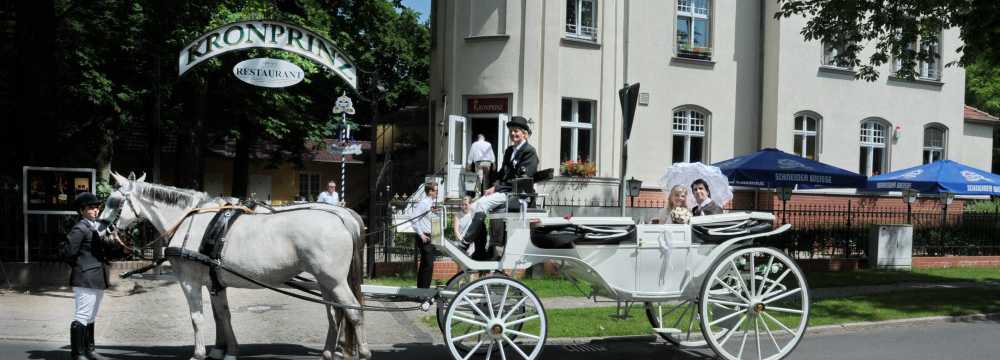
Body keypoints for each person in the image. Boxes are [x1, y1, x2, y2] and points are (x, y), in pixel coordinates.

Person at [62, 192, 112, 360]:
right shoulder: (80, 228)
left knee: (91, 316)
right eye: (91, 208)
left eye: (97, 207)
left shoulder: (95, 227)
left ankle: (89, 350)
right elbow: (68, 252)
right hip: (85, 278)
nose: (95, 210)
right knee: (82, 315)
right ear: (82, 210)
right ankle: (78, 354)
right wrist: (81, 268)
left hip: (97, 277)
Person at [470, 116, 538, 215]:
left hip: (516, 194)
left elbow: (522, 180)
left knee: (480, 205)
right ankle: (473, 230)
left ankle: (472, 231)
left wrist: (496, 188)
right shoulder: (509, 151)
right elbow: (501, 173)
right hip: (503, 191)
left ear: (524, 134)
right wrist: (494, 186)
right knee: (473, 206)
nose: (512, 133)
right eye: (511, 131)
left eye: (516, 131)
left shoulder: (529, 152)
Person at [410, 182, 438, 288]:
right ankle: (424, 290)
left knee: (425, 264)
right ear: (430, 192)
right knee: (428, 265)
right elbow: (413, 218)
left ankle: (421, 289)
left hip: (430, 236)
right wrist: (421, 234)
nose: (437, 193)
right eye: (435, 191)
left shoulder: (430, 203)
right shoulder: (424, 203)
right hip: (425, 237)